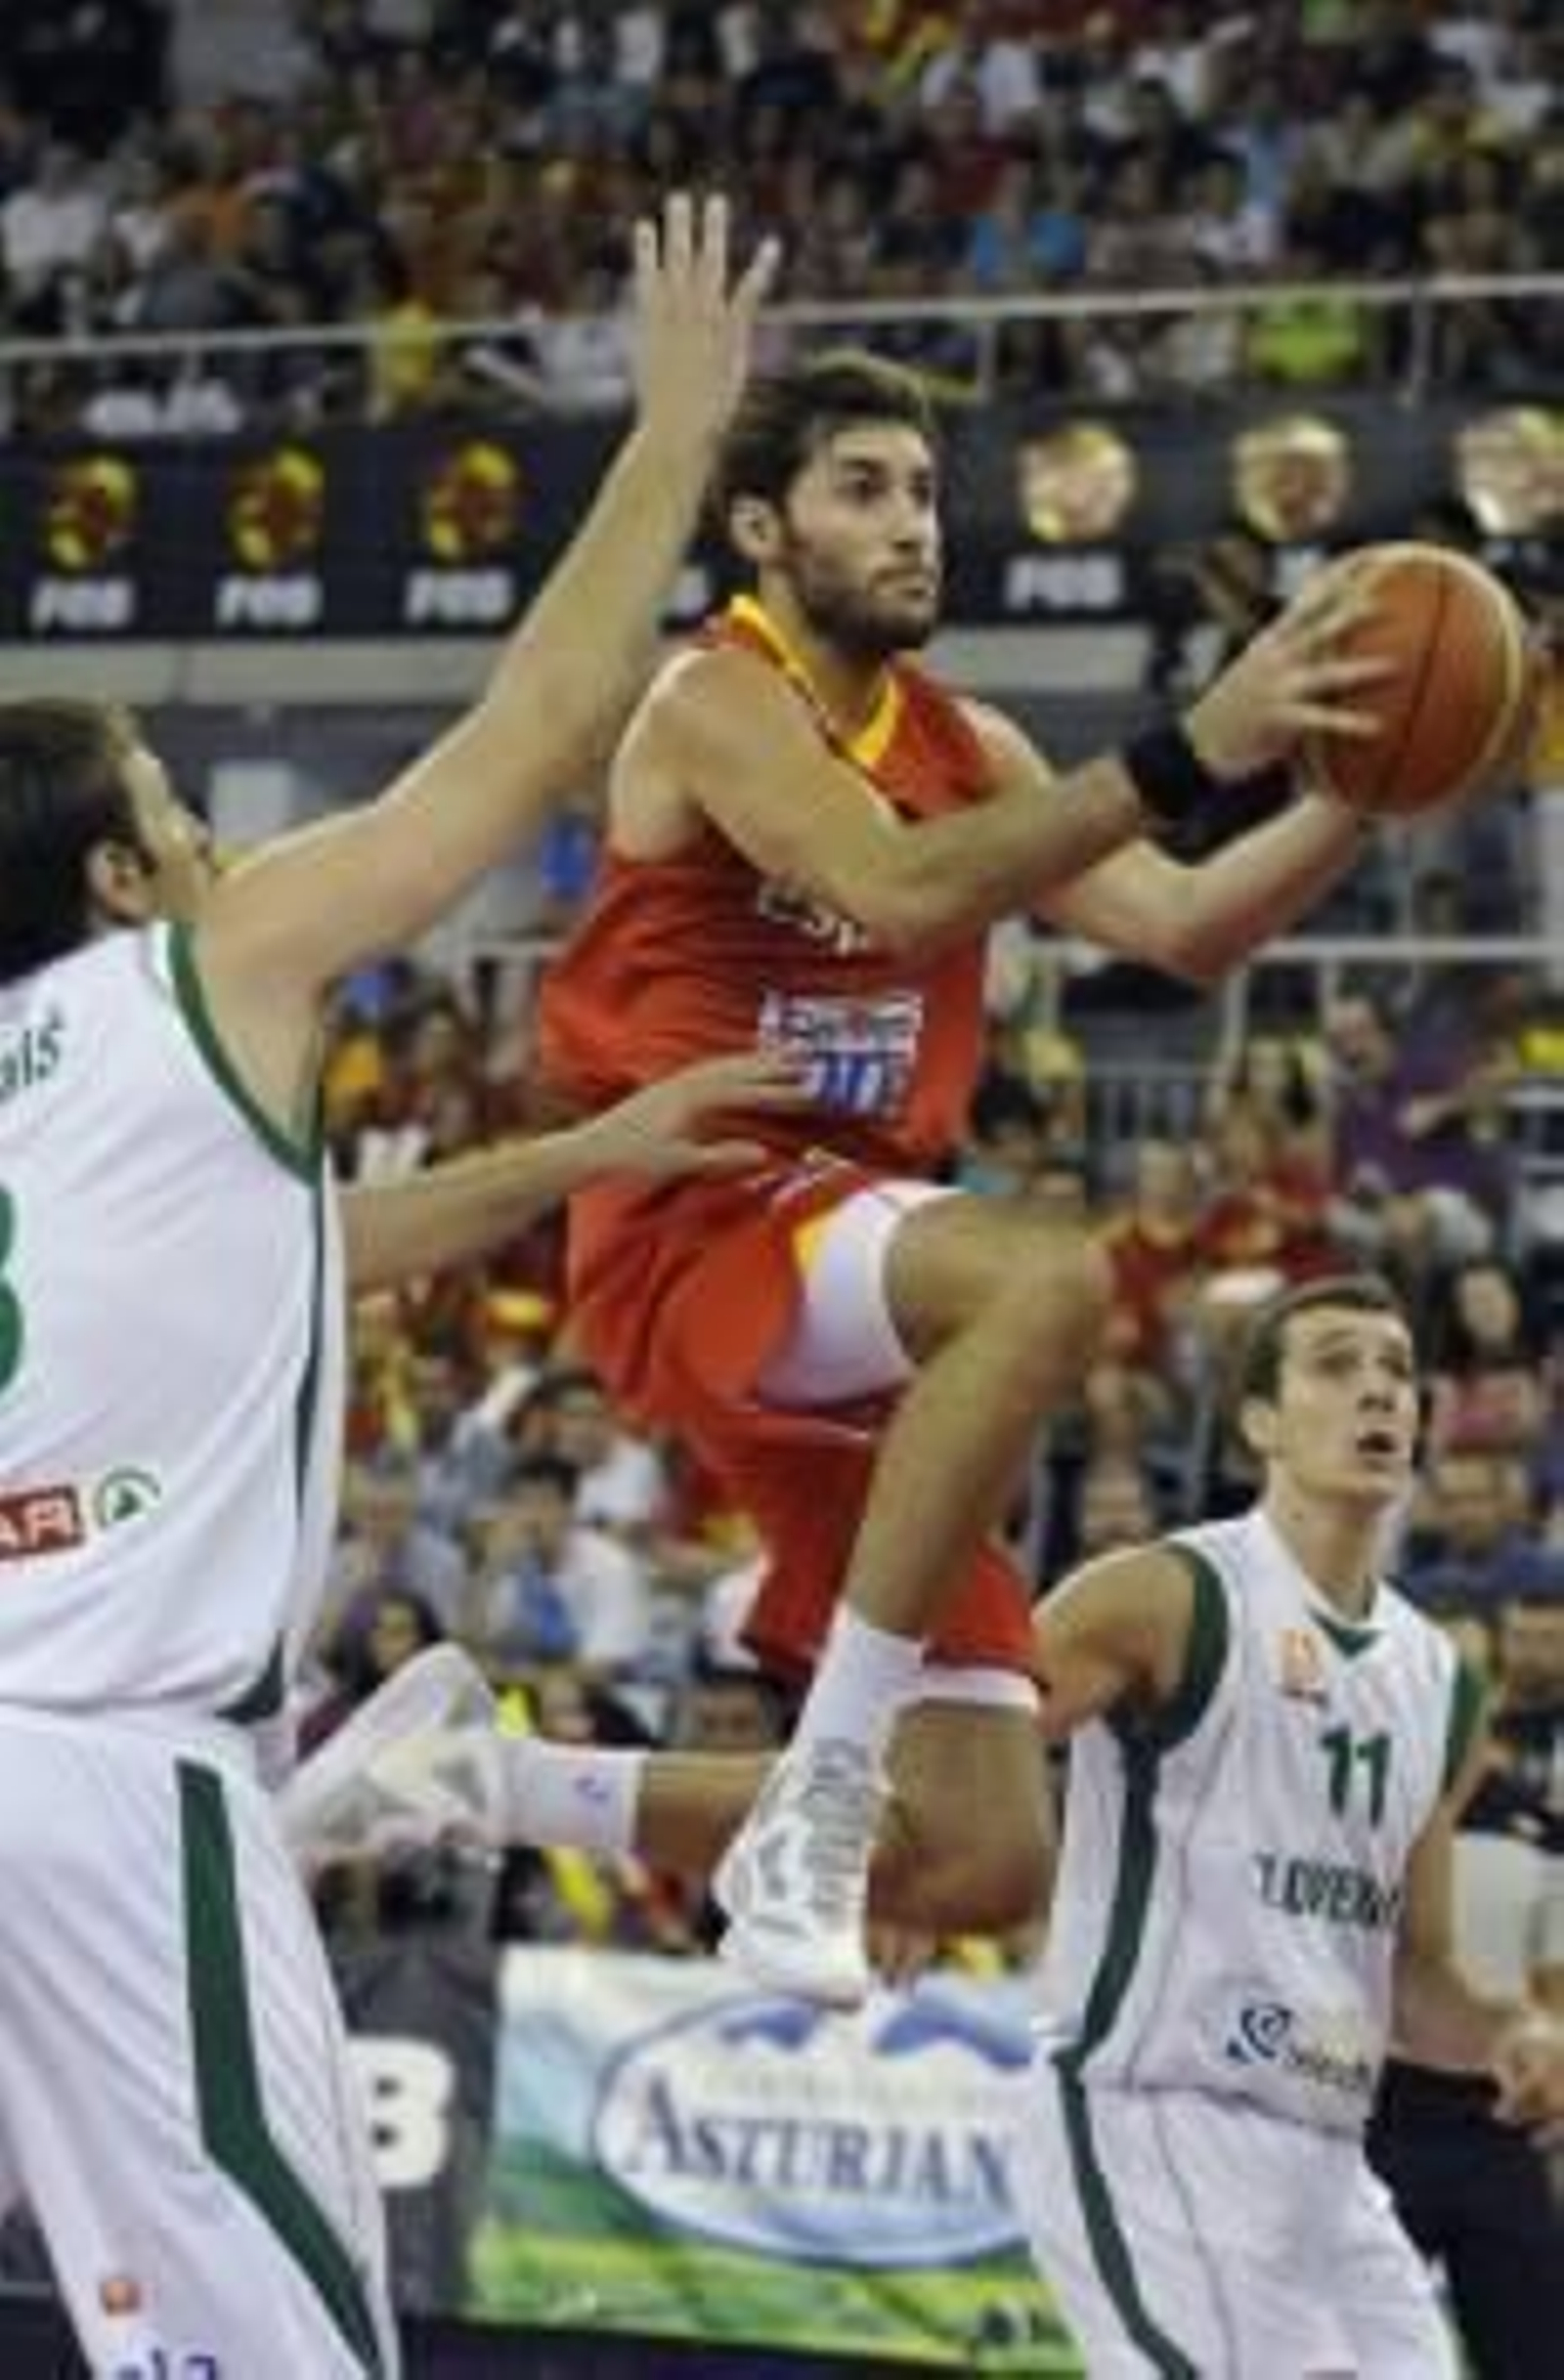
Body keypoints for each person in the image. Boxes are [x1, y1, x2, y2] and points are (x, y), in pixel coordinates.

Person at [0, 195, 773, 2377]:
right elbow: (526, 736)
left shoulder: (45, 1109)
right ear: (117, 877)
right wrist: (677, 434)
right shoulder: (201, 969)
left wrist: (579, 1160)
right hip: (116, 1777)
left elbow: (284, 1261)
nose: (220, 838)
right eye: (178, 803)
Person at [529, 344, 1396, 2007]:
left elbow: (1183, 927)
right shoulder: (713, 699)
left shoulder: (972, 740)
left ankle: (485, 1784)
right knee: (1050, 1274)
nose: (914, 524)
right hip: (699, 1209)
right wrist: (1192, 740)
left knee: (991, 1856)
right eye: (864, 489)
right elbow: (905, 893)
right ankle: (829, 1772)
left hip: (861, 1276)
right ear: (762, 529)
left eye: (925, 492)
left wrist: (1357, 797)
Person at [1011, 1275, 1564, 2377]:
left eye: (1398, 1371)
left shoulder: (1439, 1678)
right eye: (1337, 1363)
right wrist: (917, 1869)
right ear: (1259, 1419)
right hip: (1151, 2113)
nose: (1378, 1391)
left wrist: (1511, 2035)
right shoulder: (1163, 1592)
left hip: (1328, 2157)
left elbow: (1415, 1975)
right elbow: (962, 1732)